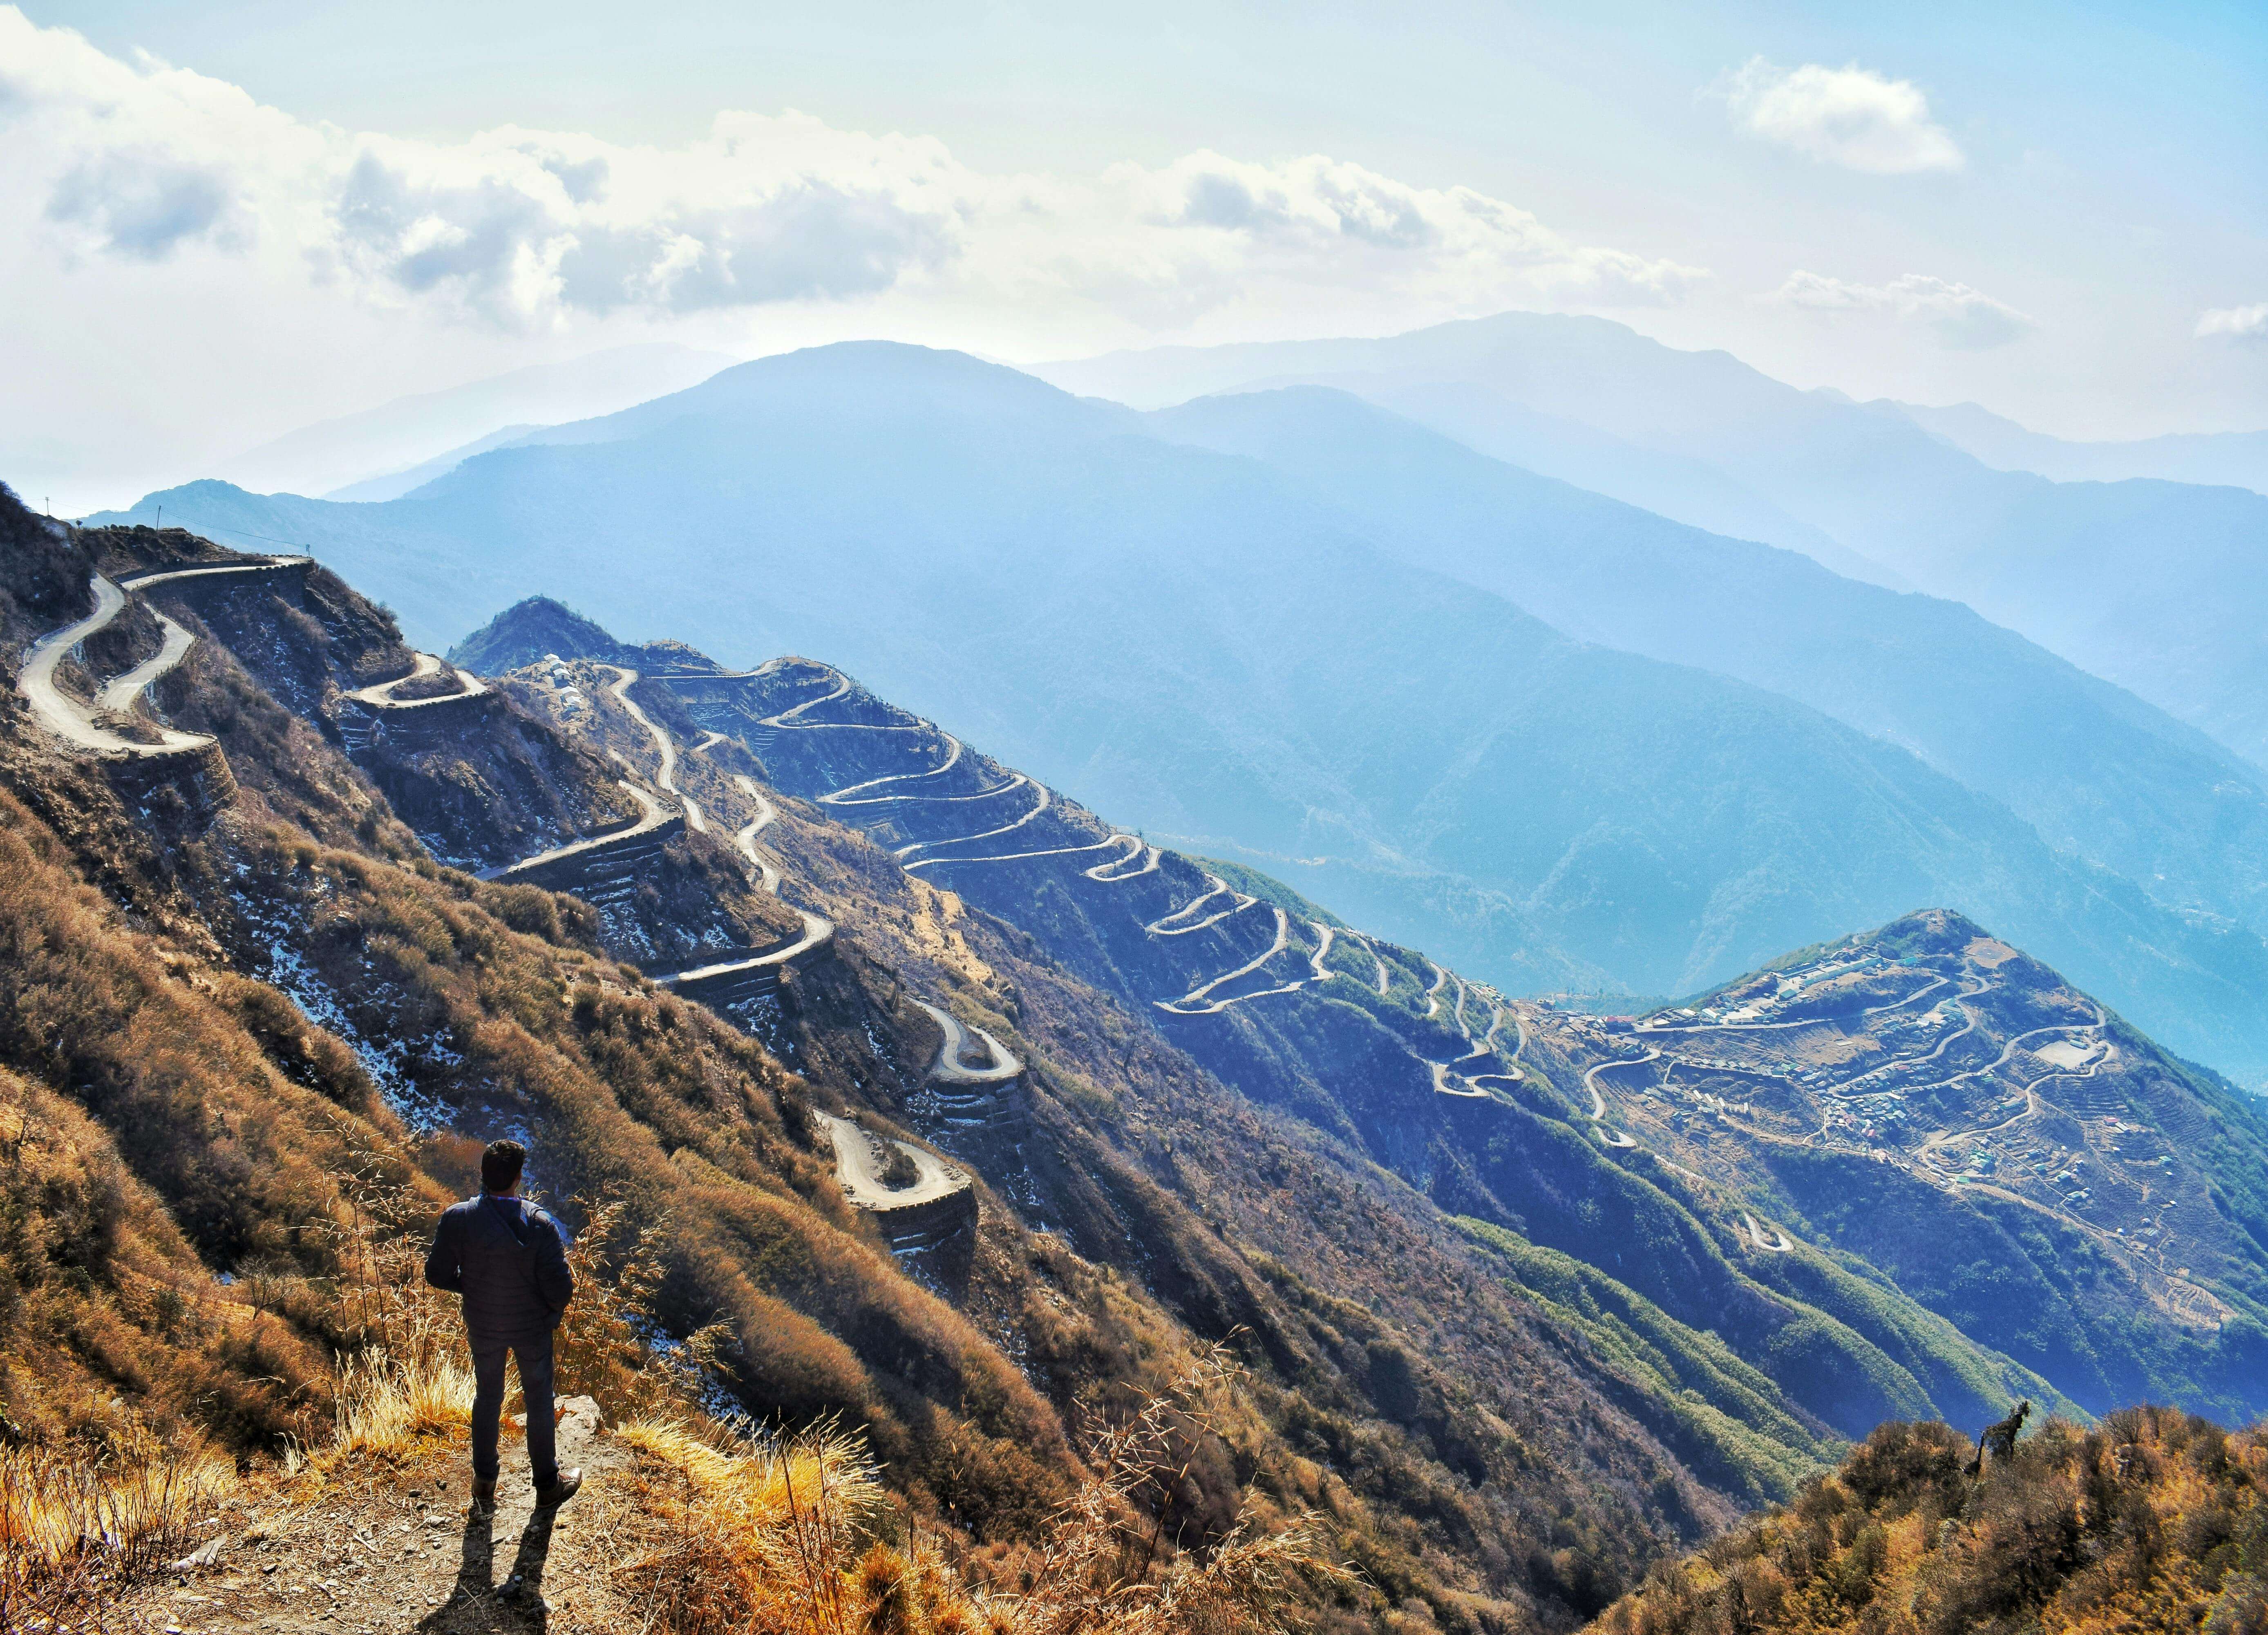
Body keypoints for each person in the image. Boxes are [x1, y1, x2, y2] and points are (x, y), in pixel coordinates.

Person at [424, 1139, 581, 1515]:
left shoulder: (458, 1218)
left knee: (488, 1397)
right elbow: (561, 1290)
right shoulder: (539, 1225)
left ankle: (484, 1483)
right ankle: (547, 1486)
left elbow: (436, 1274)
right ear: (518, 1178)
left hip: (484, 1324)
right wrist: (547, 1311)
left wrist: (473, 1286)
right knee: (539, 1400)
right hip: (531, 1329)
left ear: (483, 1174)